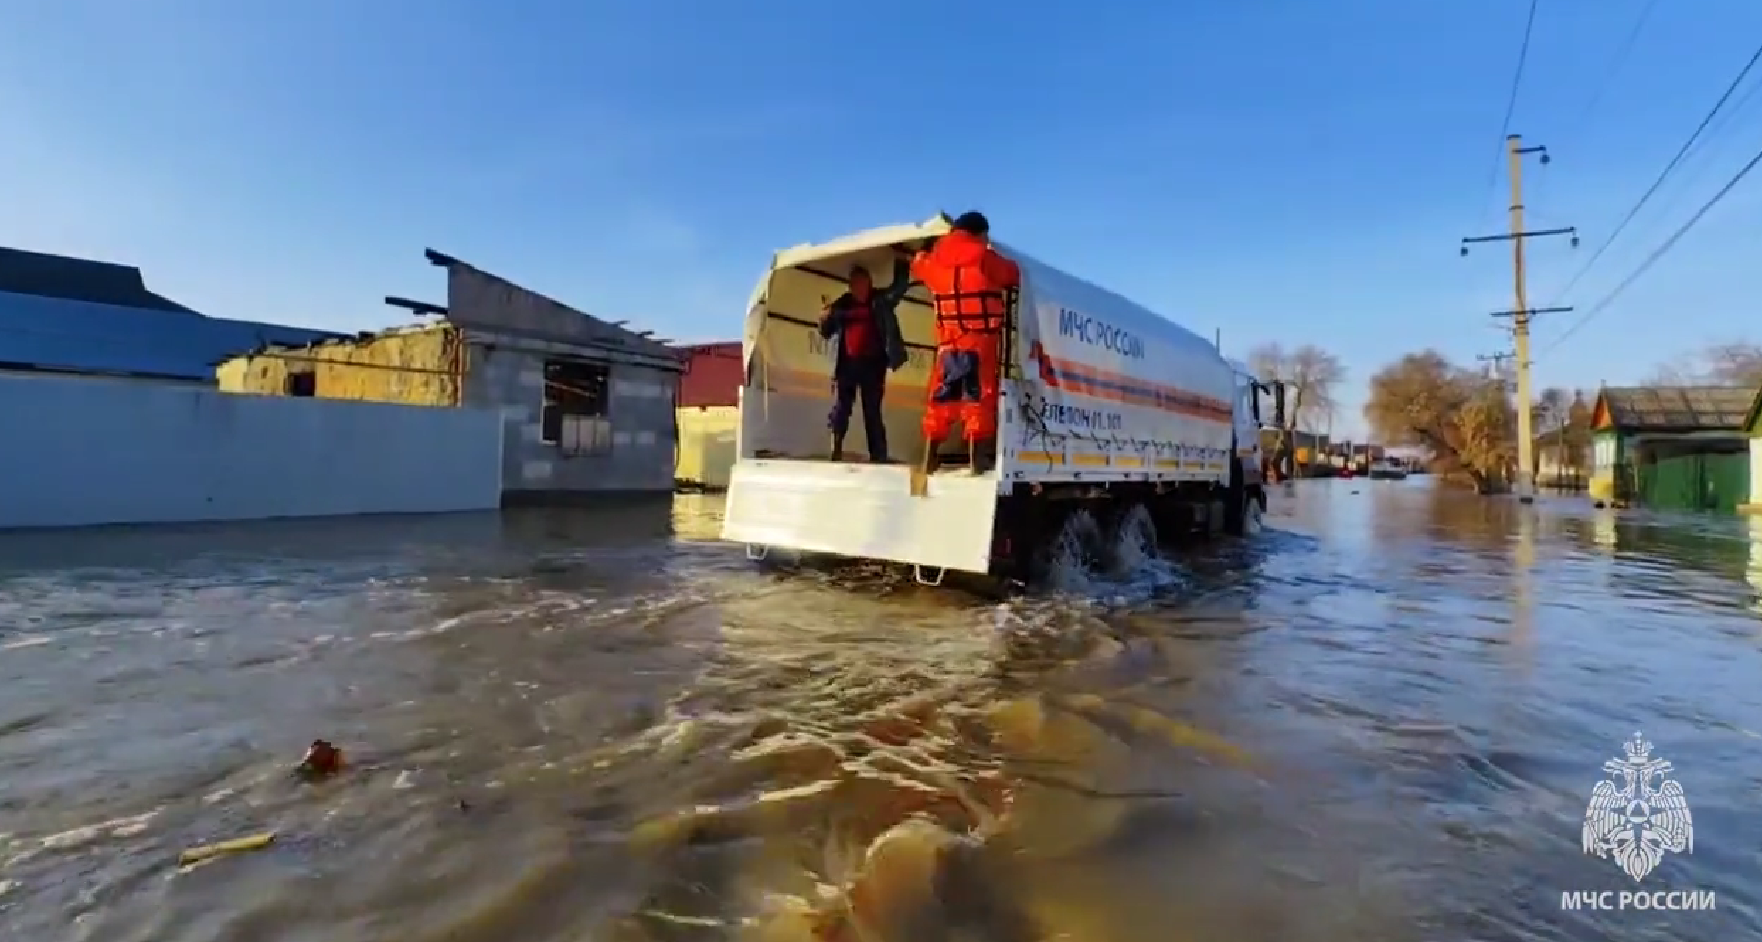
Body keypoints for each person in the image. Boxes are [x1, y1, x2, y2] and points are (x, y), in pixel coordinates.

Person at [911, 211, 1021, 473]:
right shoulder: (984, 257)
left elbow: (917, 265)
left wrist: (924, 250)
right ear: (980, 233)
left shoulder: (935, 260)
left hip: (948, 342)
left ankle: (929, 457)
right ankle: (976, 461)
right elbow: (1012, 275)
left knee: (941, 397)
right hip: (978, 340)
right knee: (978, 397)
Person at [819, 258, 912, 461]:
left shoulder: (880, 300)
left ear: (869, 283)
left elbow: (899, 289)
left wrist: (902, 262)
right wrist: (823, 319)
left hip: (873, 365)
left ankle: (878, 456)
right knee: (842, 407)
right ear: (850, 287)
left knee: (872, 412)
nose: (859, 288)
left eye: (863, 283)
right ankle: (836, 448)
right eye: (855, 284)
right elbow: (826, 332)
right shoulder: (842, 303)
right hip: (847, 365)